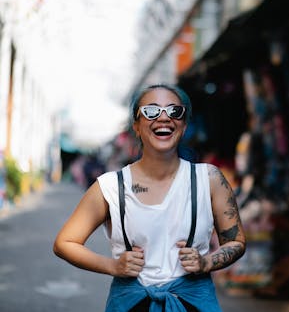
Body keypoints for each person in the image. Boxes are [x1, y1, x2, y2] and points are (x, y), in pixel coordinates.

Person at [53, 84, 246, 311]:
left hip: (193, 303)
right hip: (131, 303)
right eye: (151, 111)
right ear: (136, 126)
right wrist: (112, 266)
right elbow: (64, 243)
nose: (164, 118)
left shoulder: (210, 179)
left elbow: (236, 241)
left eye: (174, 112)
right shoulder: (111, 187)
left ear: (184, 125)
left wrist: (206, 262)